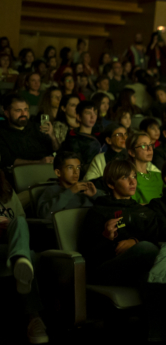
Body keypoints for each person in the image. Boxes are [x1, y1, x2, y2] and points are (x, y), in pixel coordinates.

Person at [77, 160, 166, 341]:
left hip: (137, 270)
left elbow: (155, 241)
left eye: (134, 176)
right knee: (146, 249)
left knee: (150, 277)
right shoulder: (99, 211)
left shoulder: (145, 212)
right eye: (125, 177)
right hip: (105, 269)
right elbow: (87, 253)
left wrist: (134, 241)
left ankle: (157, 337)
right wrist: (106, 237)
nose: (132, 182)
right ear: (111, 184)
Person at [0, 169, 49, 344]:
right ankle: (34, 319)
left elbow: (20, 218)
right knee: (29, 256)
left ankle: (21, 257)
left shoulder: (6, 189)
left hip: (9, 245)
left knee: (19, 222)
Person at [0, 94, 58, 172]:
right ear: (7, 113)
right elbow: (6, 160)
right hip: (22, 173)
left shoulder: (37, 127)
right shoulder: (2, 133)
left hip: (48, 170)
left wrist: (52, 136)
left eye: (26, 109)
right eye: (18, 110)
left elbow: (55, 150)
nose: (23, 114)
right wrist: (39, 162)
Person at [37, 152, 102, 219]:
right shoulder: (51, 191)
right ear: (58, 172)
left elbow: (109, 206)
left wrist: (95, 195)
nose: (75, 172)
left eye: (78, 168)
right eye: (70, 167)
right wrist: (70, 192)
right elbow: (44, 214)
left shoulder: (86, 187)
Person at [59, 101, 100, 179]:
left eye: (95, 113)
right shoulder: (73, 140)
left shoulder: (98, 135)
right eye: (88, 113)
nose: (93, 116)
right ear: (79, 117)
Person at [126, 131, 162, 204]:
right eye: (143, 146)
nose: (150, 149)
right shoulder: (129, 178)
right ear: (132, 152)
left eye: (150, 145)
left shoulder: (158, 175)